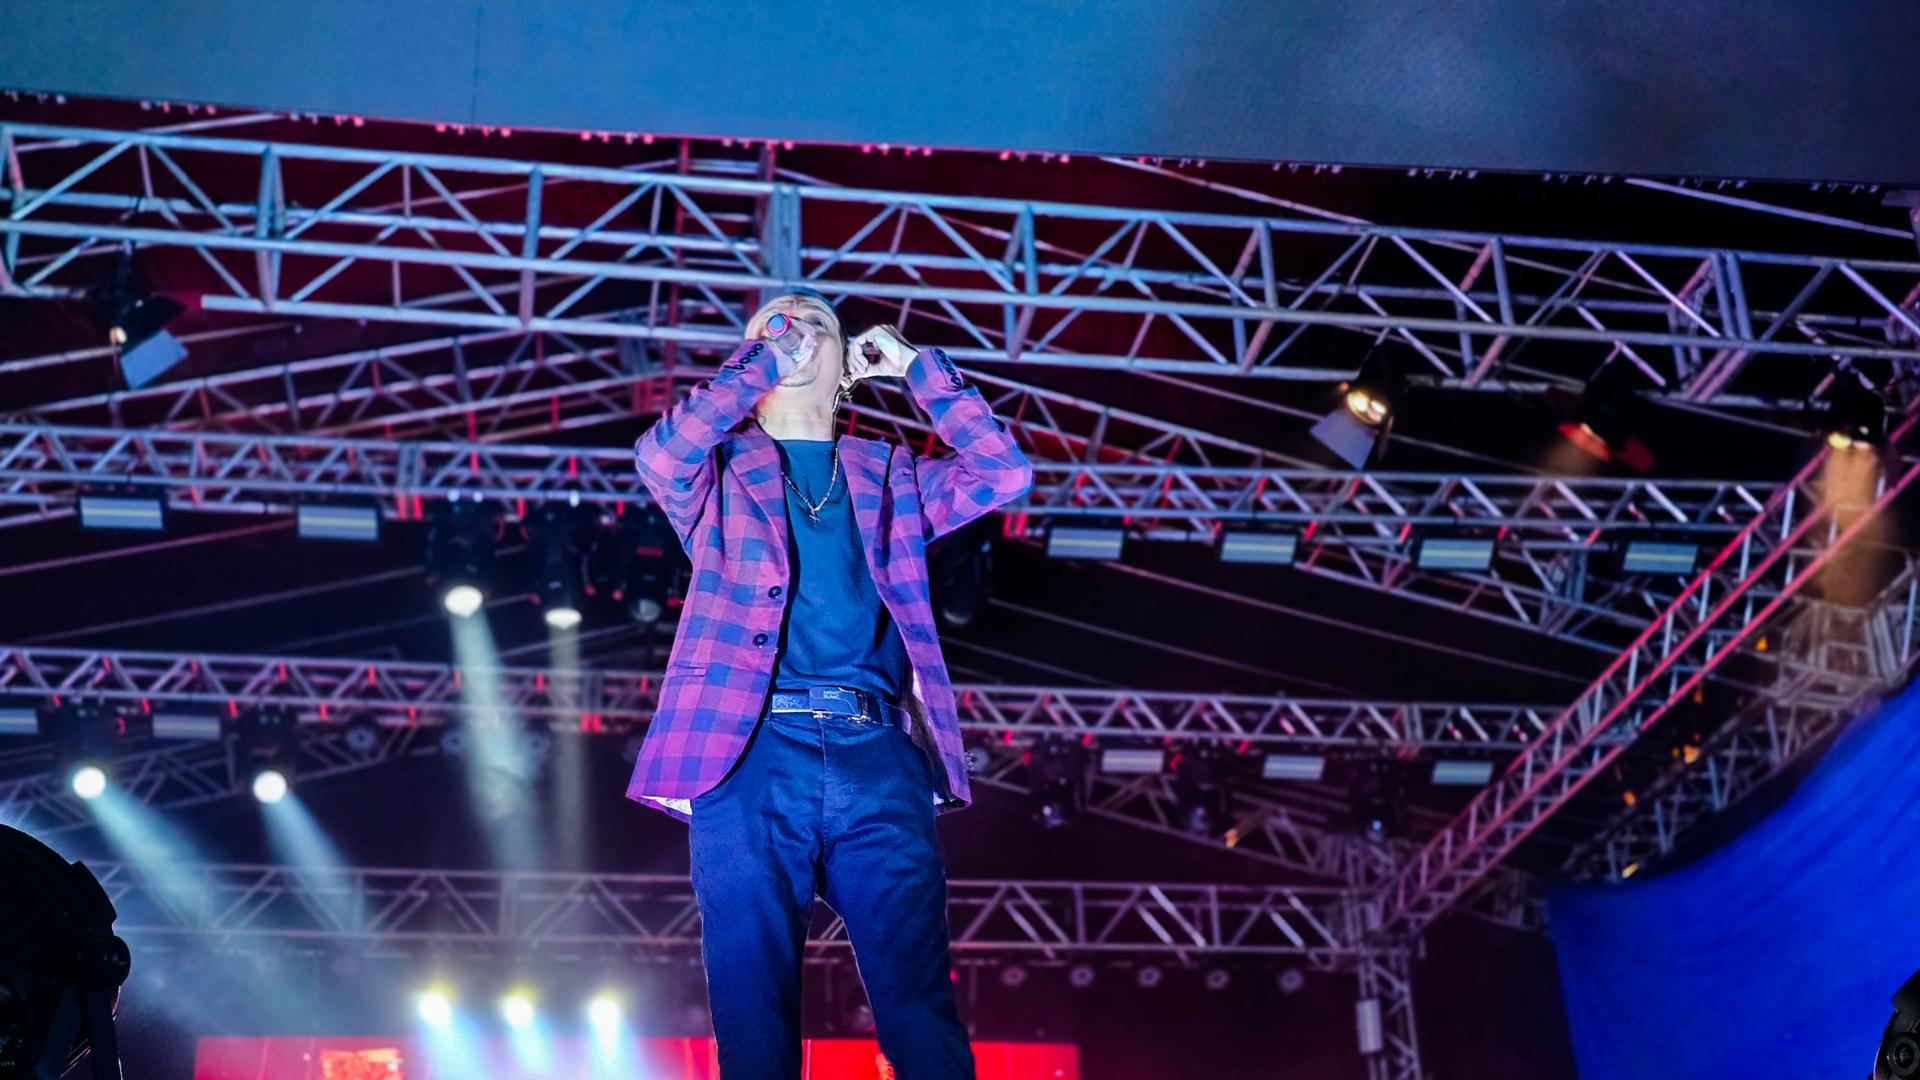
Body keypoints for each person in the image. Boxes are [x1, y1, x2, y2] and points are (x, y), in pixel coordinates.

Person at [626, 288, 1033, 1078]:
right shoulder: (718, 469)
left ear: (847, 361)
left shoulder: (890, 472)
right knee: (754, 1007)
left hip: (877, 754)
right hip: (746, 752)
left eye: (817, 324)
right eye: (775, 326)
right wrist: (759, 364)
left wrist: (917, 369)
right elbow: (662, 455)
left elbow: (1003, 473)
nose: (797, 333)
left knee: (918, 1002)